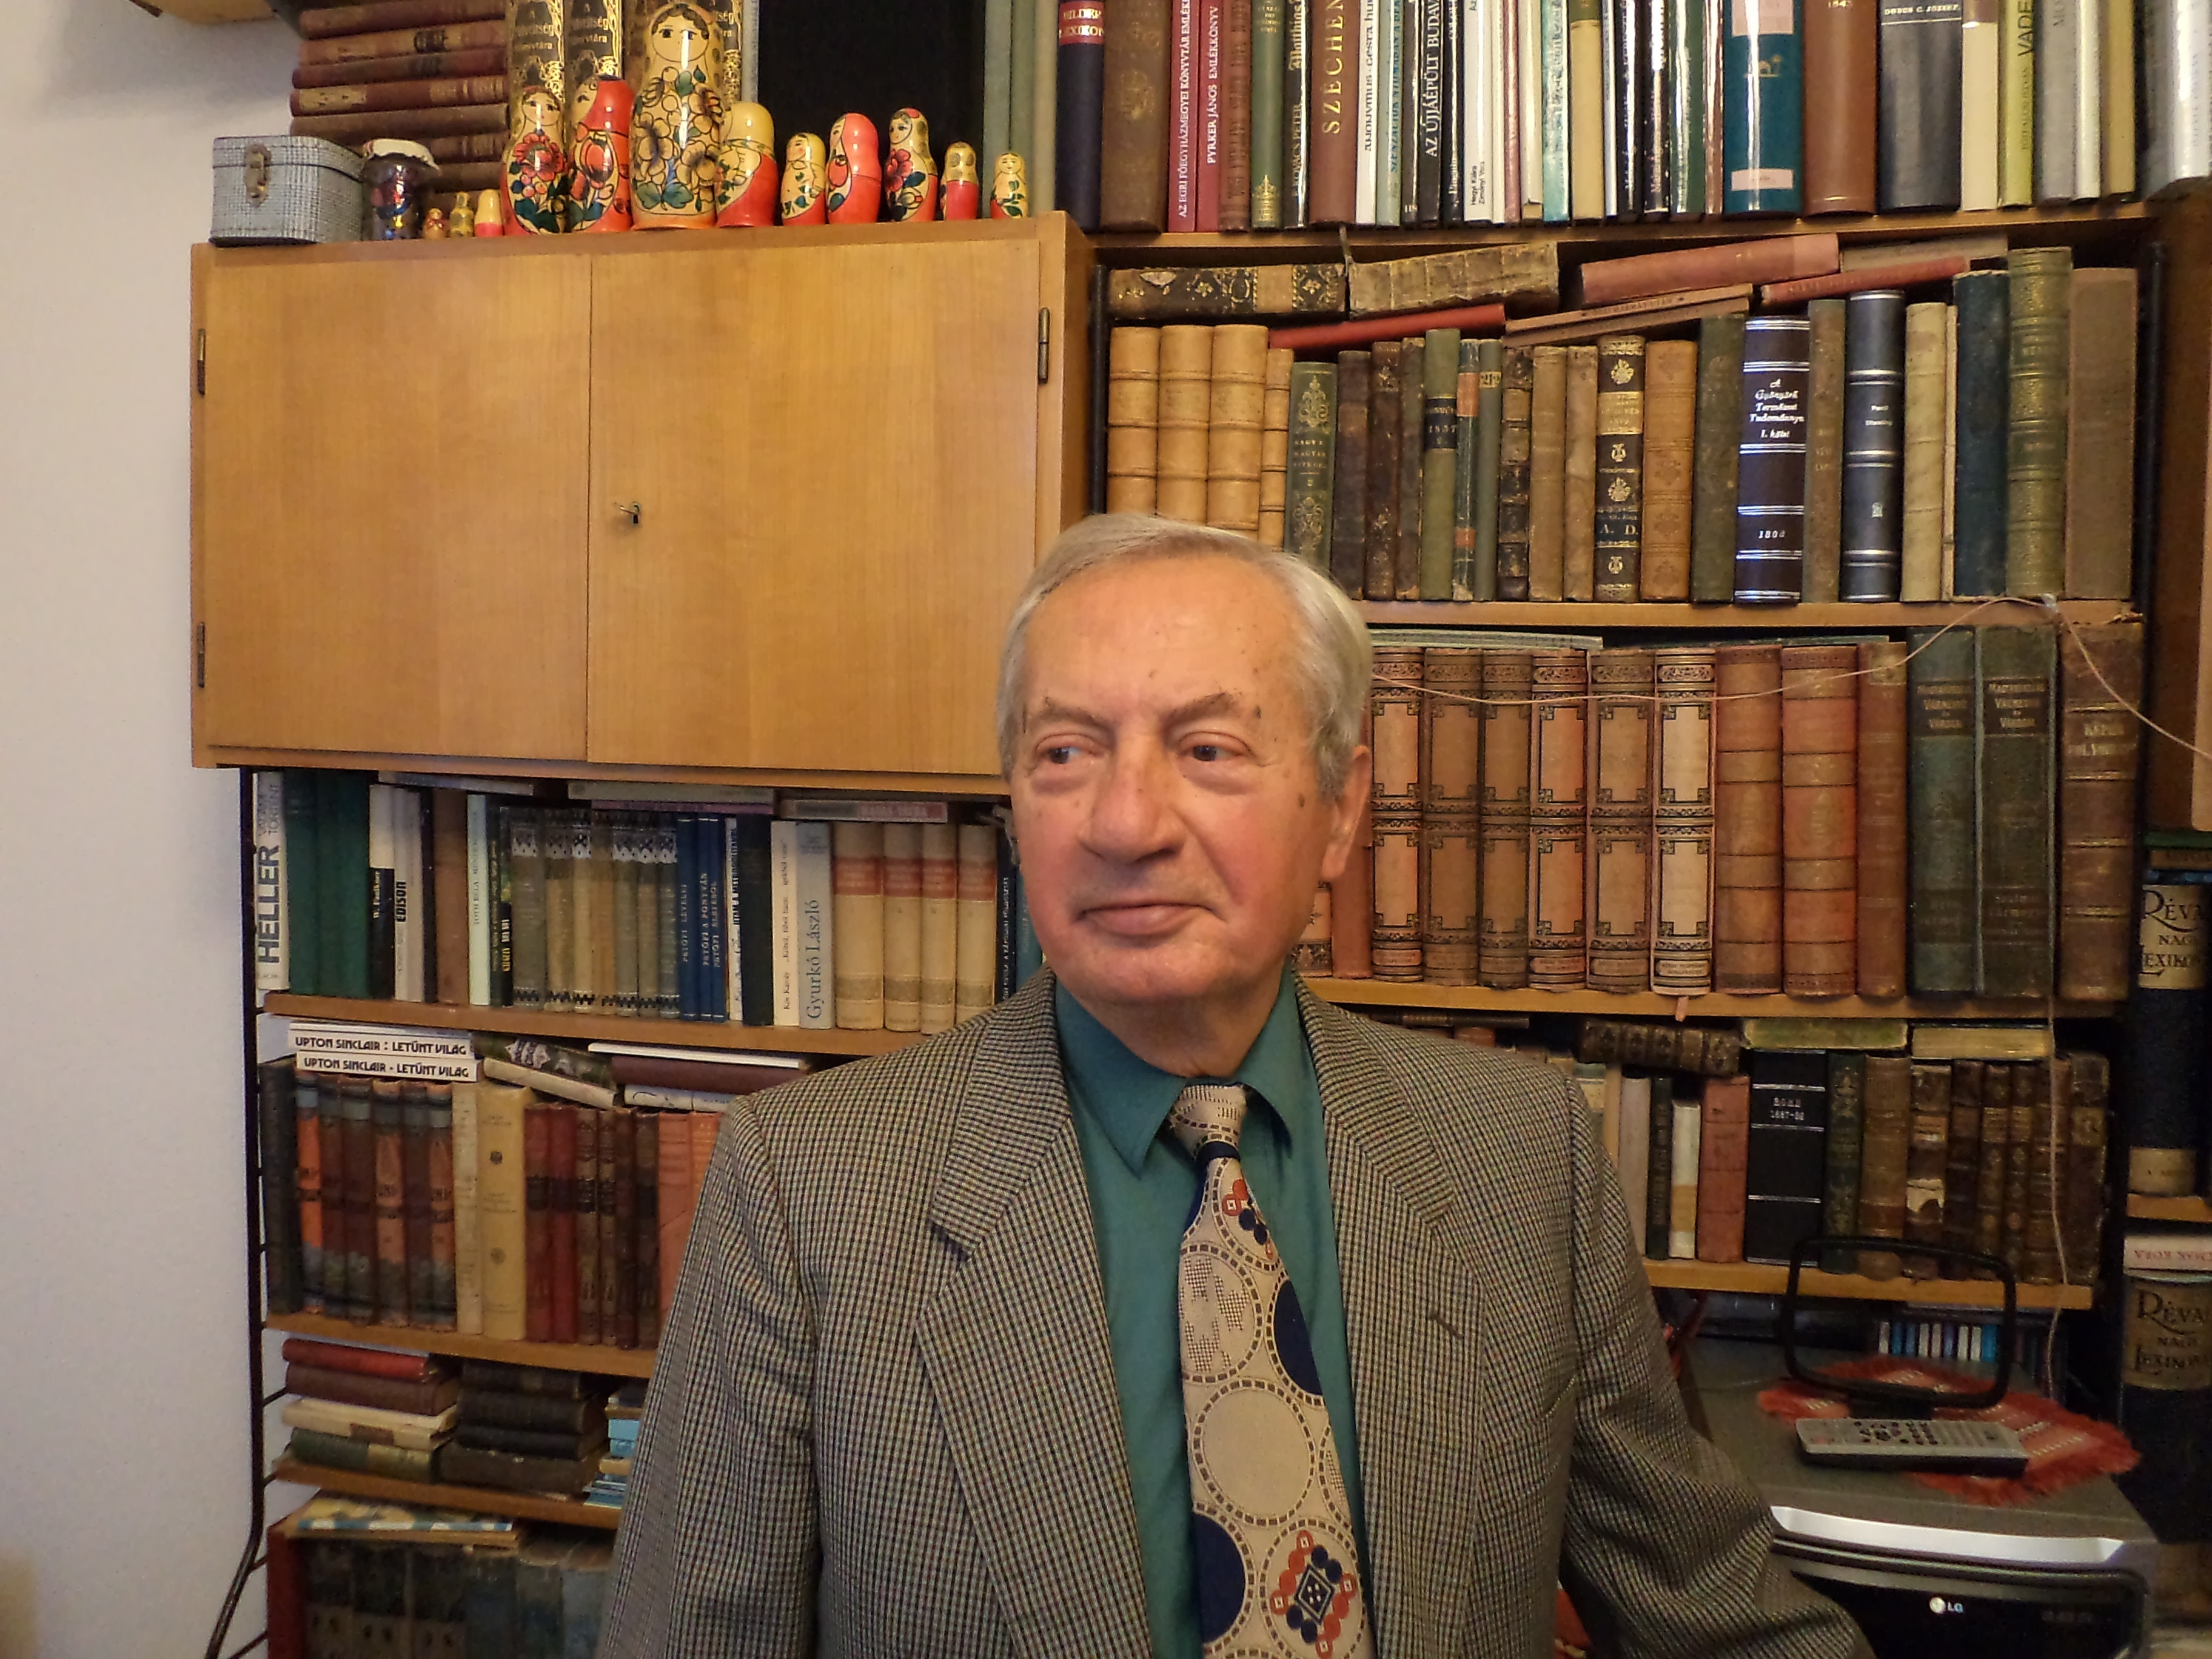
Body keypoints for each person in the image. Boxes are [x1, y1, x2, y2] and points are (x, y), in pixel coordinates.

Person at [599, 514, 1870, 1658]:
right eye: (1064, 752)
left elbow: (1717, 1615)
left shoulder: (1521, 1158)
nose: (1126, 822)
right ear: (1015, 804)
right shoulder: (804, 1192)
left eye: (1207, 749)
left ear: (1341, 811)